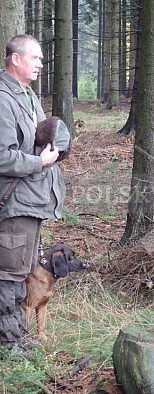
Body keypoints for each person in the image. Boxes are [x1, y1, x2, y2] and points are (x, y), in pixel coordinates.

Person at [0, 34, 70, 353]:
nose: (41, 63)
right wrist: (37, 161)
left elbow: (40, 136)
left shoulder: (27, 95)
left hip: (31, 202)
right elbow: (2, 154)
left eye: (42, 59)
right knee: (9, 274)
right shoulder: (2, 98)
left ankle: (17, 334)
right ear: (16, 59)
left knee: (23, 273)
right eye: (35, 58)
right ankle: (9, 342)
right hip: (13, 203)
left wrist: (56, 146)